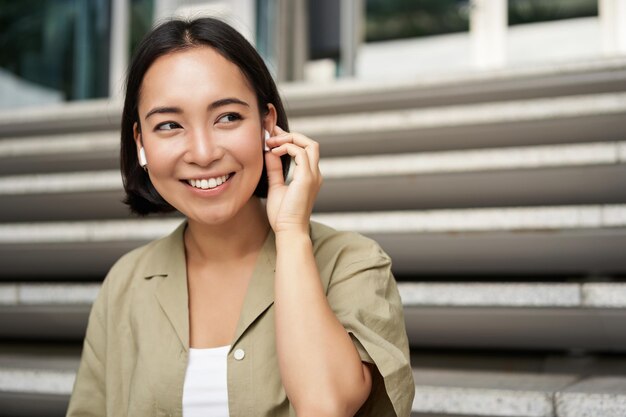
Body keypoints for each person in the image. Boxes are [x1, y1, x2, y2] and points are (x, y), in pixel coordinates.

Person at [66, 17, 414, 417]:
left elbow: (324, 406)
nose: (202, 152)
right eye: (169, 125)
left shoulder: (353, 263)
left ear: (267, 125)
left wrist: (292, 235)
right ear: (141, 143)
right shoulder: (125, 283)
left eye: (227, 117)